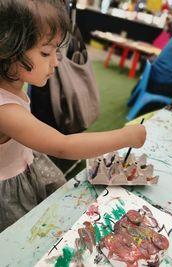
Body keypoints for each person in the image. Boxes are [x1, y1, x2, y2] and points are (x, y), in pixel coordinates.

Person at [0, 0, 146, 232]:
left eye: (57, 51)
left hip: (25, 164)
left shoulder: (14, 81)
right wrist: (126, 136)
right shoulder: (5, 111)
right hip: (10, 191)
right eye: (46, 52)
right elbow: (63, 146)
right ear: (7, 49)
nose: (56, 62)